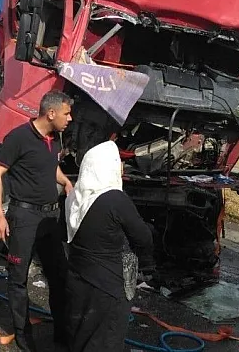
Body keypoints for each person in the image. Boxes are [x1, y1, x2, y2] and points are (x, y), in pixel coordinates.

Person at [0, 90, 74, 351]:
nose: (70, 118)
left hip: (50, 217)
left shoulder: (55, 138)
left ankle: (63, 333)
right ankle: (24, 338)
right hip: (24, 216)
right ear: (51, 113)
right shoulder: (18, 137)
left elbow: (51, 166)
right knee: (18, 279)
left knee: (59, 276)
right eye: (66, 113)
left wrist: (66, 181)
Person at [63, 141, 155, 351]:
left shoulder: (76, 196)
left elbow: (65, 232)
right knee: (106, 336)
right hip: (108, 284)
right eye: (118, 162)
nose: (121, 167)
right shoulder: (114, 198)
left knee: (81, 331)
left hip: (78, 277)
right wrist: (147, 265)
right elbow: (143, 236)